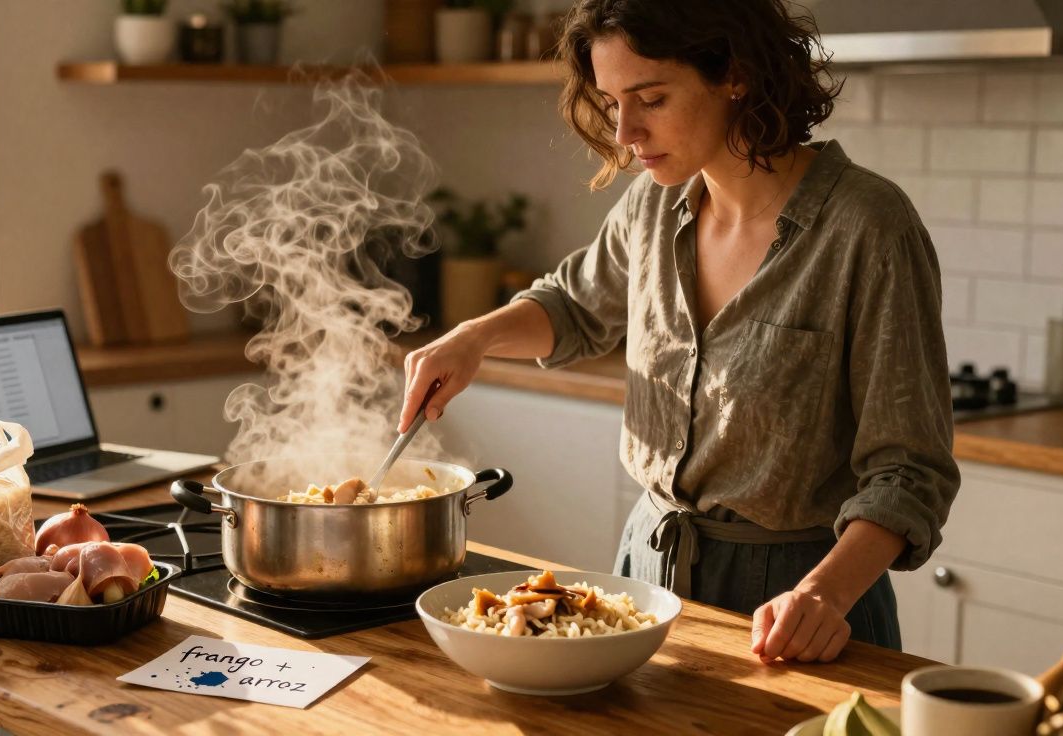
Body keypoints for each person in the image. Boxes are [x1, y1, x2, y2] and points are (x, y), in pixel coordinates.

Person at [398, 0, 959, 663]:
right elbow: (574, 308)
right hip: (647, 574)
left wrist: (822, 595)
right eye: (612, 103)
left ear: (735, 75)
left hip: (800, 607)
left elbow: (909, 472)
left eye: (652, 98)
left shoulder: (868, 227)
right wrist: (473, 338)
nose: (627, 130)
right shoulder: (654, 205)